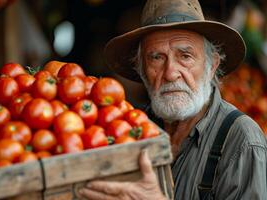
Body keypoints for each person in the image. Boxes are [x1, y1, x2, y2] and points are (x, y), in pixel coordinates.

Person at [78, 0, 267, 199]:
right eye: (156, 58)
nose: (170, 73)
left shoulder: (241, 140)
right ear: (141, 70)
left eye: (185, 56)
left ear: (211, 66)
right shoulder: (131, 128)